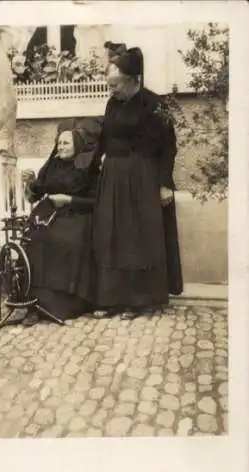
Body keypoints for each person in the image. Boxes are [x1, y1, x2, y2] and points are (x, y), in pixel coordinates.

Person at [92, 42, 183, 320]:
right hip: (114, 178)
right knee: (112, 236)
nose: (112, 91)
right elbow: (104, 140)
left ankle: (138, 301)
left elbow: (169, 146)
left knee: (135, 238)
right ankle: (112, 299)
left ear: (134, 80)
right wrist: (94, 166)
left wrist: (165, 183)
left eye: (116, 85)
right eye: (109, 85)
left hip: (142, 178)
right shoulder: (112, 104)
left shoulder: (154, 105)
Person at [22, 117, 102, 325]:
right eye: (59, 142)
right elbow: (35, 193)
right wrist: (29, 183)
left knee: (66, 240)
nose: (61, 146)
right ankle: (34, 304)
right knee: (35, 239)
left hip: (78, 214)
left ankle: (63, 304)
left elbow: (96, 201)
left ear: (77, 145)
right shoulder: (51, 166)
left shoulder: (88, 169)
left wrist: (69, 200)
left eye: (66, 142)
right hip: (49, 213)